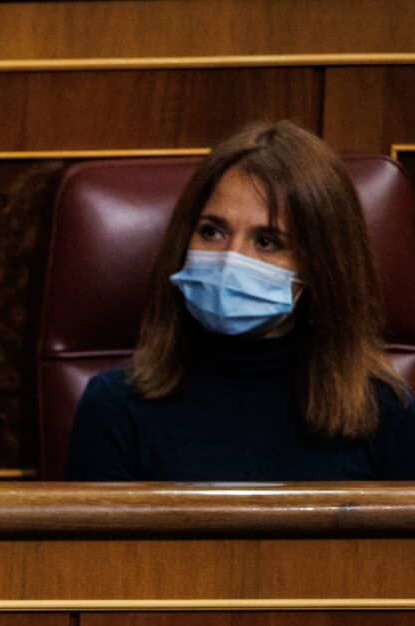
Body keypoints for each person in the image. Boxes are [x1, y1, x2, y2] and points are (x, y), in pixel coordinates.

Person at [66, 120, 415, 480]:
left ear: (319, 266)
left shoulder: (384, 410)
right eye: (211, 232)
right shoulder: (114, 405)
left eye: (266, 241)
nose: (229, 258)